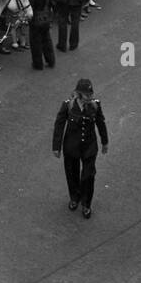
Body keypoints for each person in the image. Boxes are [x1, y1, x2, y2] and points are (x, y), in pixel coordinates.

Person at [52, 79, 109, 219]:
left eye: (90, 94)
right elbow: (59, 125)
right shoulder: (68, 105)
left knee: (88, 176)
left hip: (89, 147)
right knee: (72, 173)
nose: (89, 97)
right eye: (86, 95)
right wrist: (56, 146)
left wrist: (105, 142)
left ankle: (86, 204)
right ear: (78, 94)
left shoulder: (95, 105)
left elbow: (101, 123)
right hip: (71, 146)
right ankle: (74, 197)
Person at [26, 0, 56, 71]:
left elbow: (30, 6)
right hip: (46, 16)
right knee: (47, 40)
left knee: (35, 42)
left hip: (36, 18)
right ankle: (50, 60)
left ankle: (38, 64)